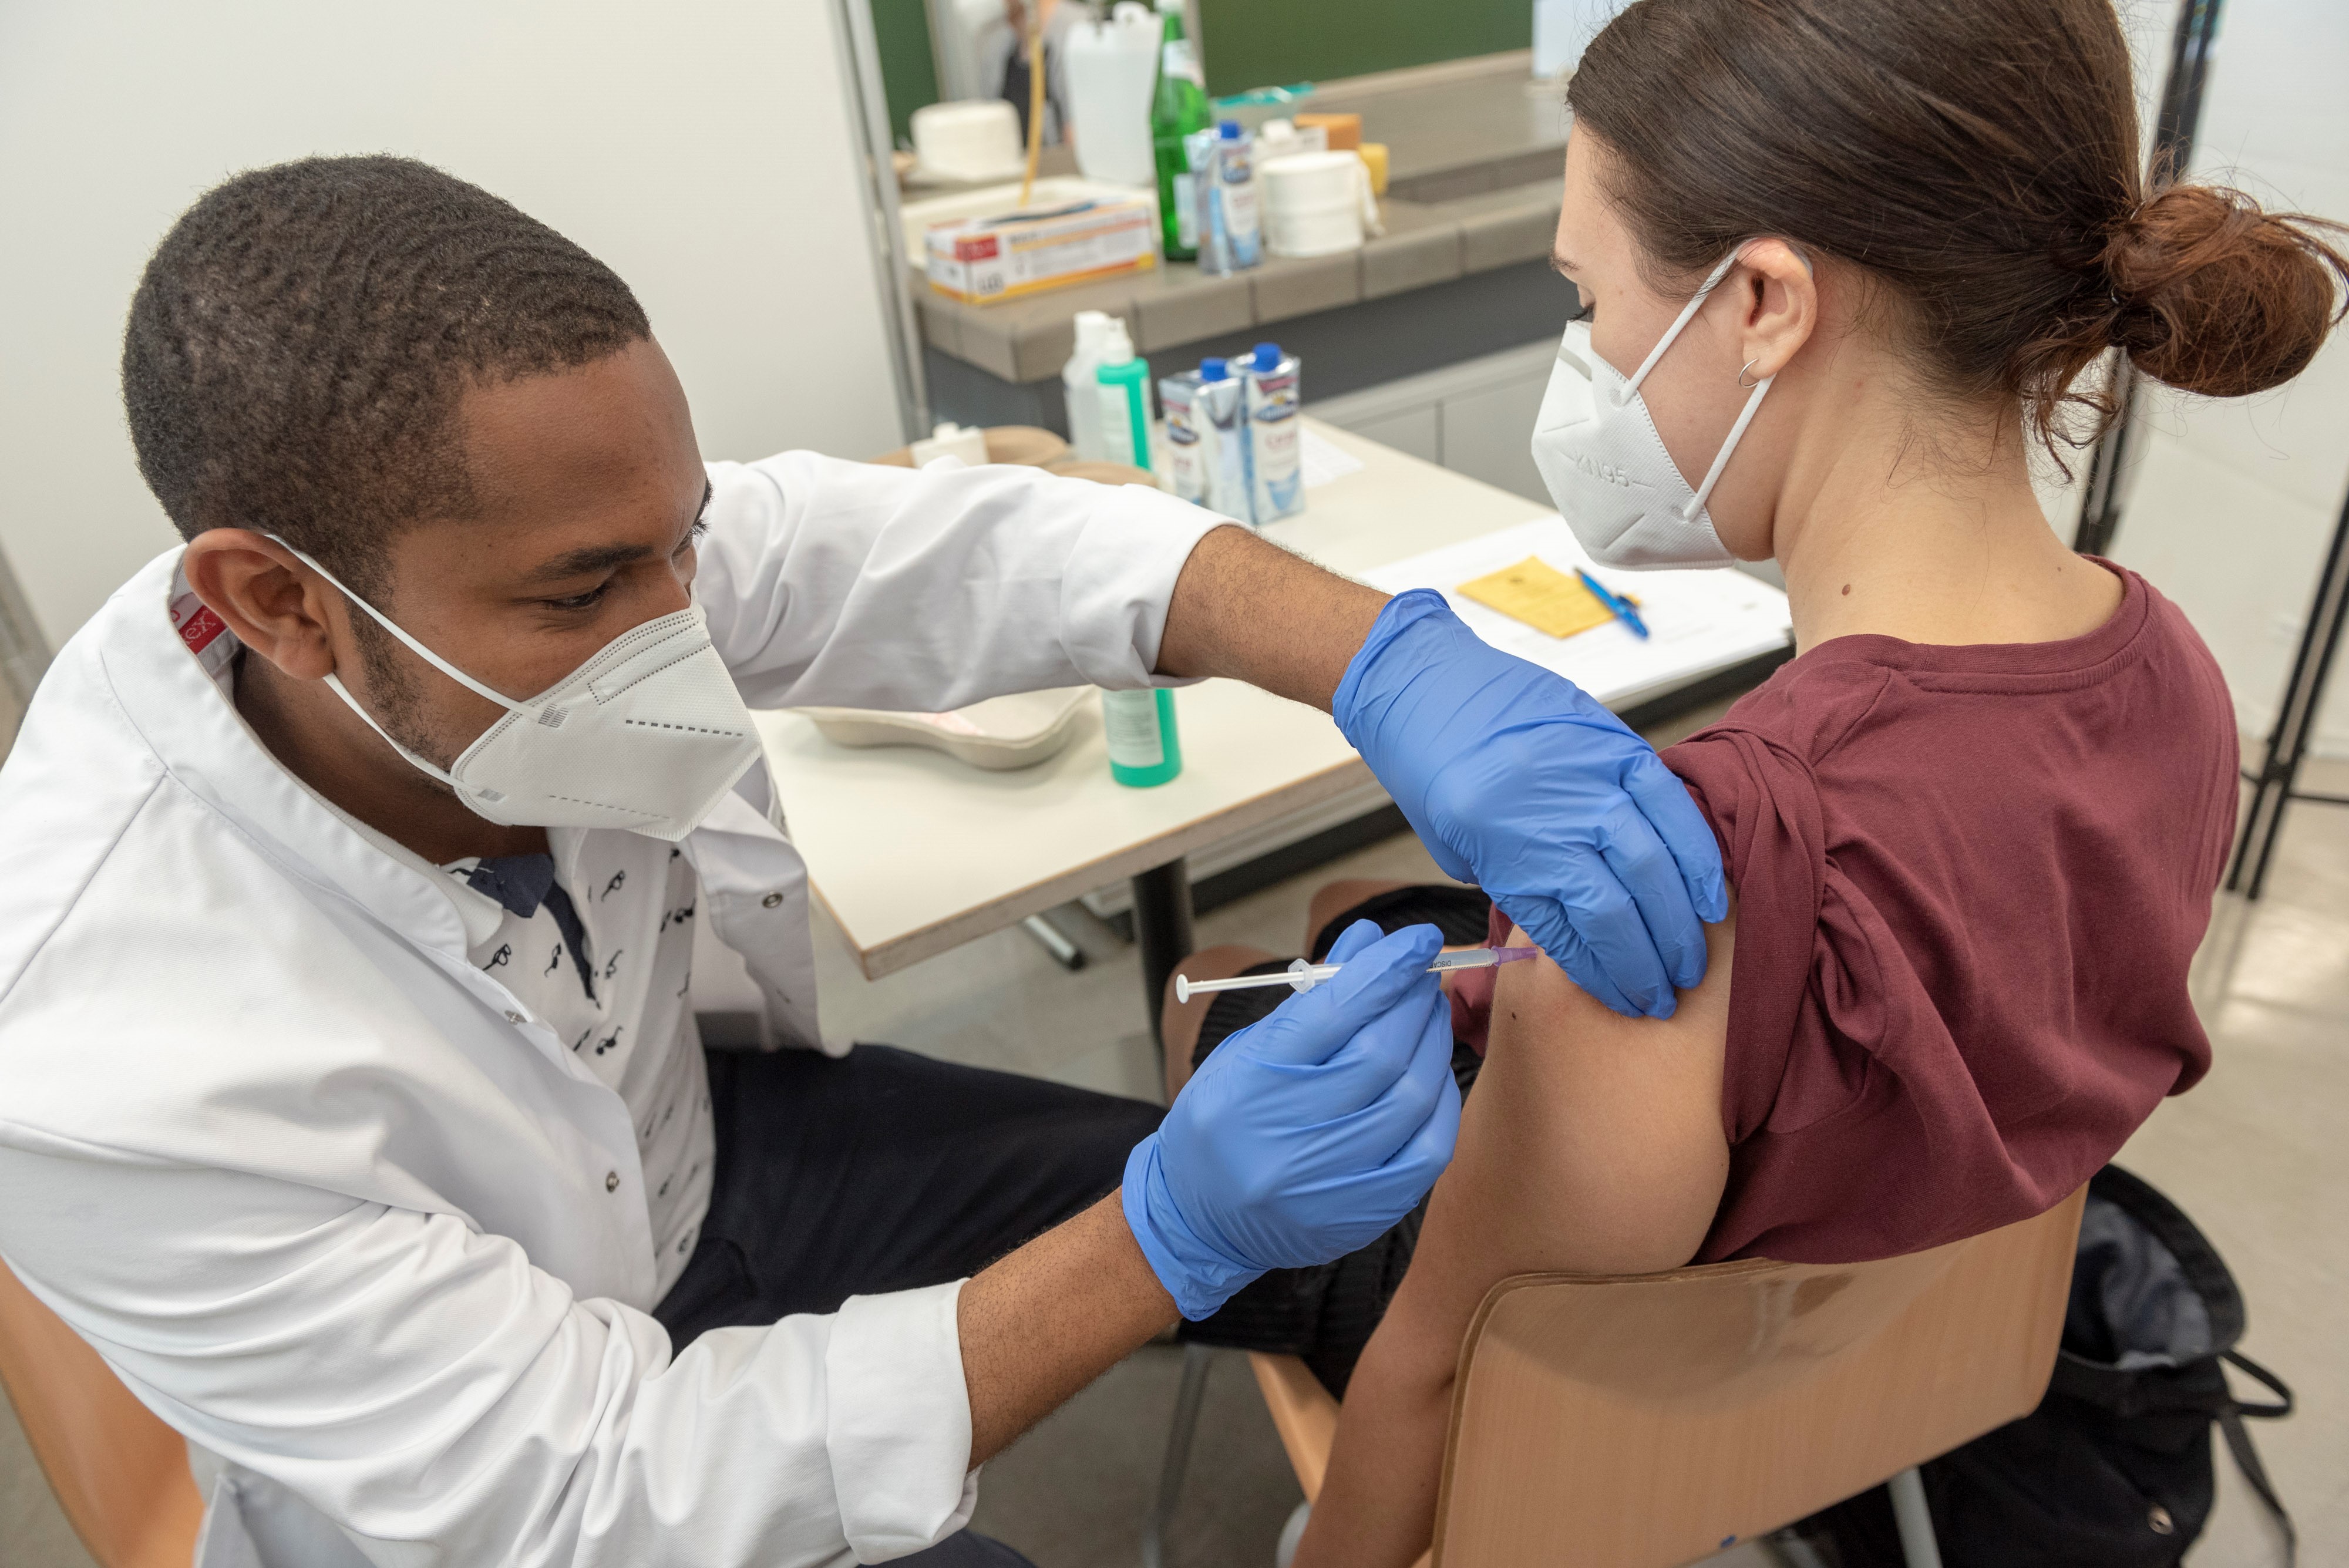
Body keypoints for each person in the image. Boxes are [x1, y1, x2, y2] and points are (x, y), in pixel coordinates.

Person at [0, 154, 1725, 1568]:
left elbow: (974, 553)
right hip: (528, 1482)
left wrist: (1387, 659)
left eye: (682, 549)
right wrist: (1160, 1234)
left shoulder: (554, 552)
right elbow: (599, 1494)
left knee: (1345, 1249)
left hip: (708, 1153)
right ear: (282, 605)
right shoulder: (104, 1051)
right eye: (588, 594)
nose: (683, 630)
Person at [1161, 2, 2349, 1563]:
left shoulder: (1684, 875)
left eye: (1591, 301)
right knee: (1354, 907)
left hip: (1637, 1433)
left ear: (1767, 301)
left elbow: (1443, 1373)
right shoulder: (2179, 679)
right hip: (1922, 1349)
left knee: (1213, 998)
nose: (1584, 364)